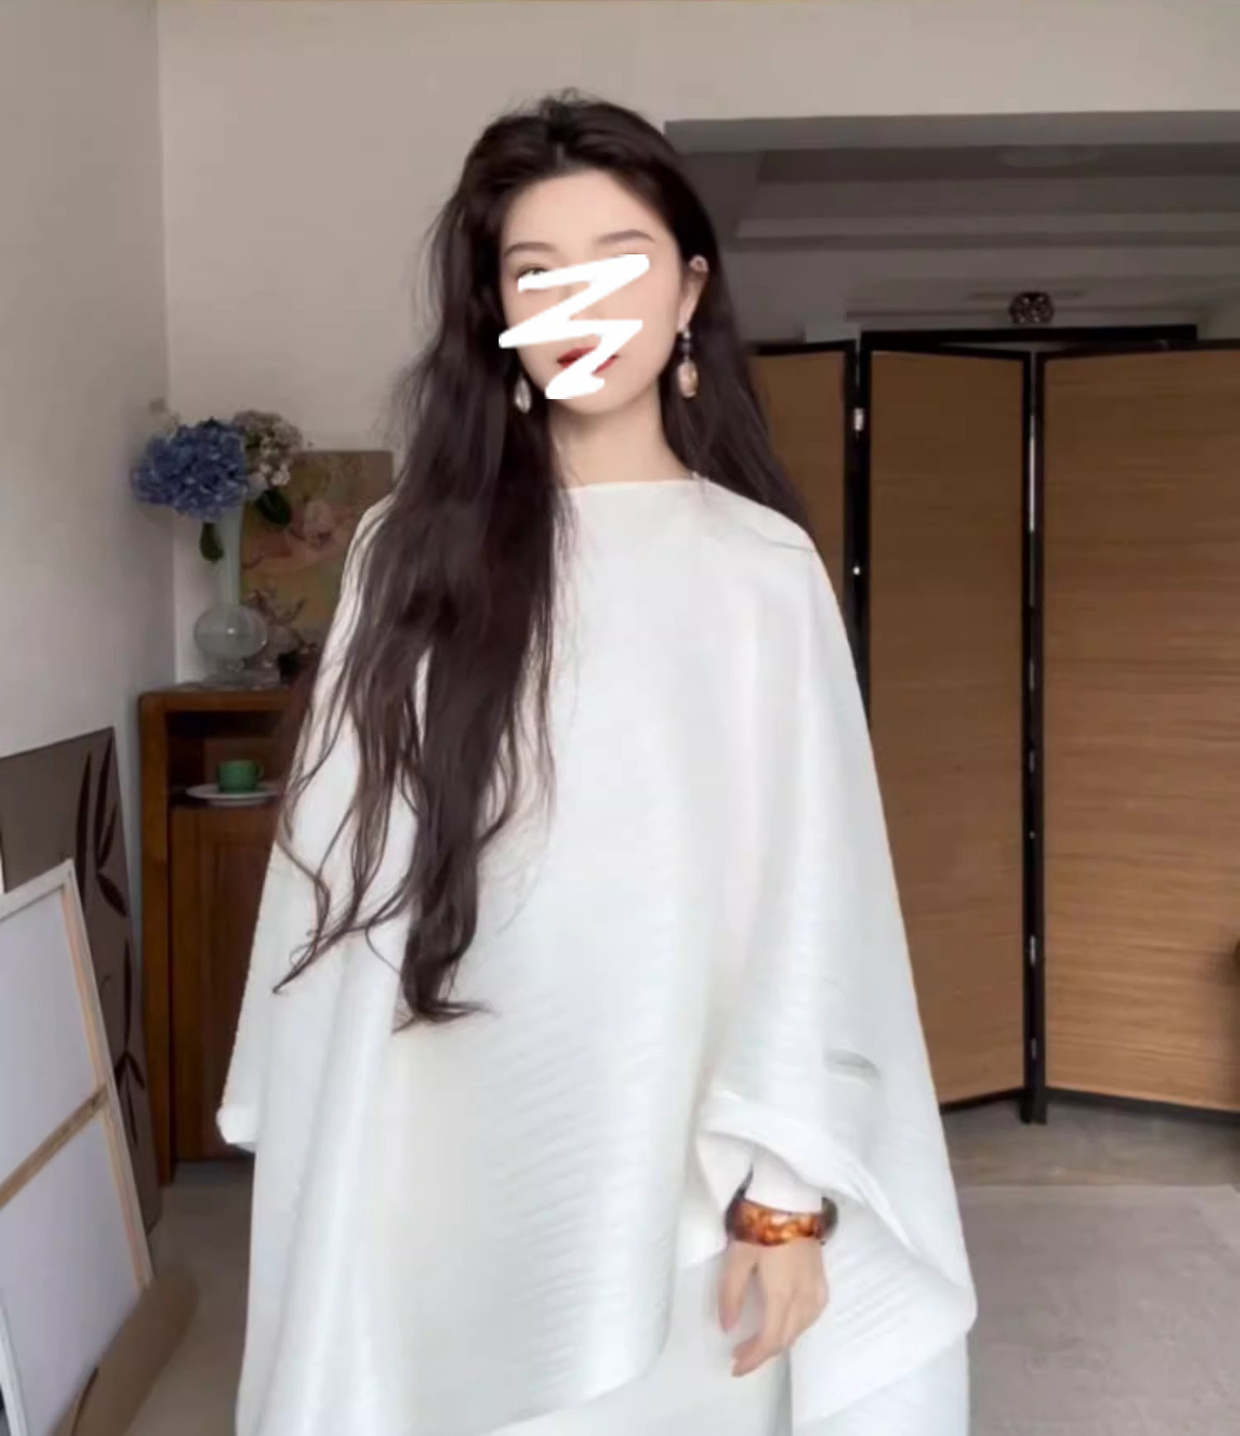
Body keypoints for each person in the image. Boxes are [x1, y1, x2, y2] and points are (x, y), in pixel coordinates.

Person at [220, 95, 976, 1436]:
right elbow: (335, 866)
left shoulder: (758, 570)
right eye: (536, 270)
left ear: (689, 293)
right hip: (425, 1123)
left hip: (669, 1131)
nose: (581, 302)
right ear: (495, 313)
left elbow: (818, 899)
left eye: (622, 260)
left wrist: (786, 1199)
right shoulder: (405, 552)